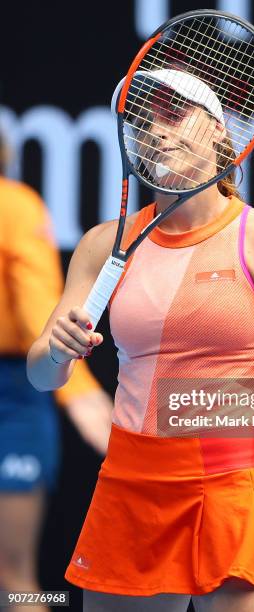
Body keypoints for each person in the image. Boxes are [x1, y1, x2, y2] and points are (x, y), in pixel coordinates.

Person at [27, 70, 254, 612]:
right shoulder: (99, 247)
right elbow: (41, 375)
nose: (154, 129)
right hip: (131, 488)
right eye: (141, 120)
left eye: (172, 112)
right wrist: (55, 351)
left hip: (236, 487)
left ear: (215, 130)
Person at [0, 132, 113, 612]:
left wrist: (77, 391)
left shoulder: (14, 206)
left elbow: (37, 311)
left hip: (15, 397)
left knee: (15, 581)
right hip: (21, 397)